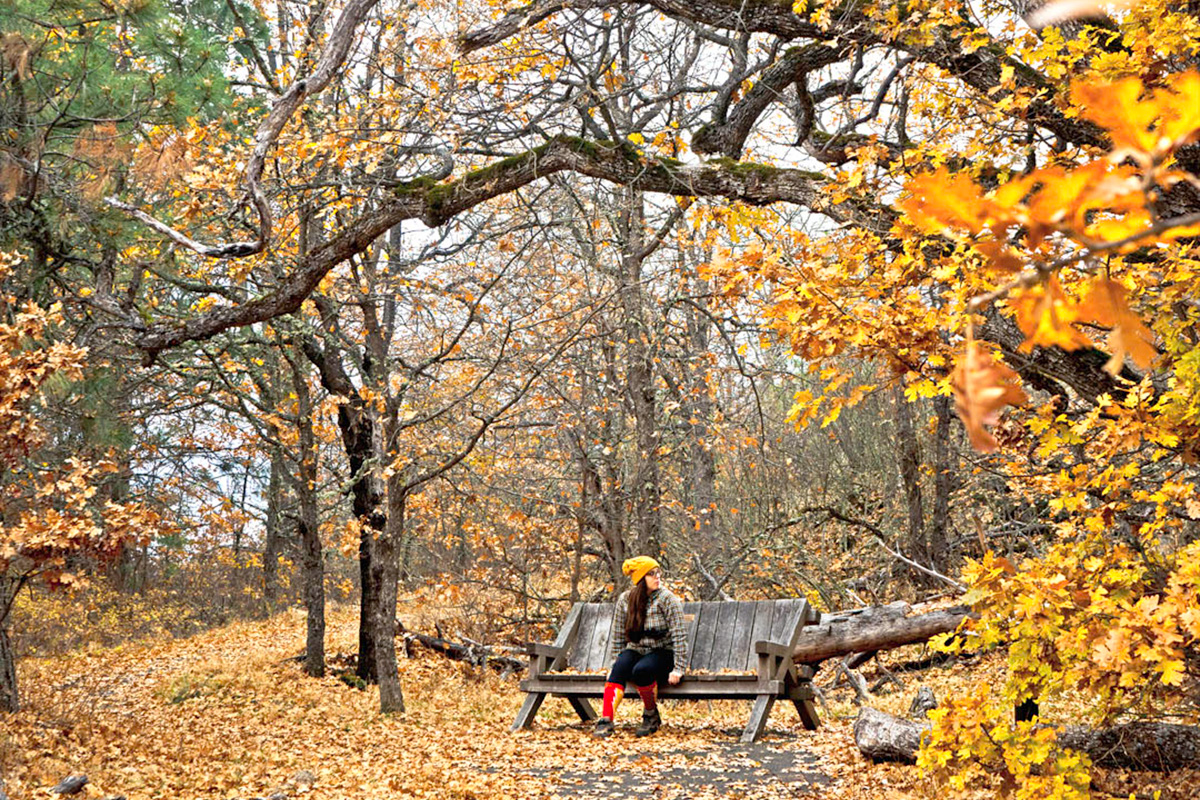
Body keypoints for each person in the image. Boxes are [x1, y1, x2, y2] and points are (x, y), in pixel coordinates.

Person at [593, 556, 688, 738]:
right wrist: (614, 663)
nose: (657, 577)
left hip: (662, 651)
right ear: (640, 579)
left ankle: (650, 715)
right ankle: (606, 720)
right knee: (619, 668)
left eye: (658, 572)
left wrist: (679, 668)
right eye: (651, 574)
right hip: (637, 649)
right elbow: (619, 635)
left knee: (642, 670)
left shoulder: (668, 599)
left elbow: (679, 635)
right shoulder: (626, 600)